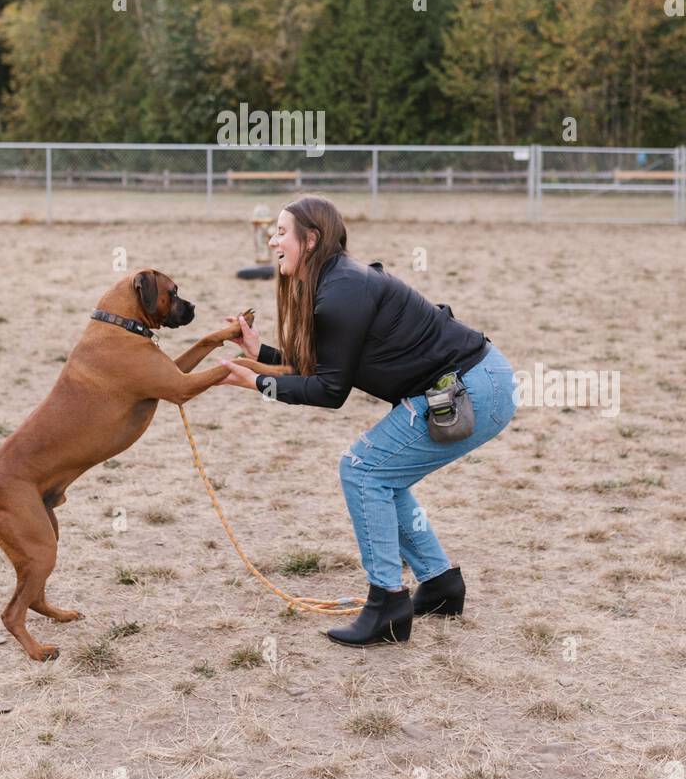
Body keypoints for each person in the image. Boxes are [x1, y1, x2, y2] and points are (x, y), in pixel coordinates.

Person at [218, 194, 517, 647]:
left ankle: (387, 606)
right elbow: (326, 367)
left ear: (311, 239)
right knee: (382, 475)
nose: (273, 239)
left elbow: (329, 391)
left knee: (362, 470)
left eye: (281, 232)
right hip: (479, 381)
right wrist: (260, 354)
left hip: (470, 389)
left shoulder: (342, 291)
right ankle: (439, 586)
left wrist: (258, 384)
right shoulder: (338, 282)